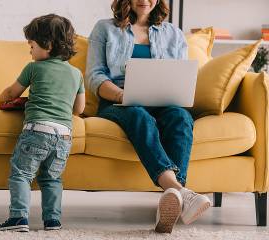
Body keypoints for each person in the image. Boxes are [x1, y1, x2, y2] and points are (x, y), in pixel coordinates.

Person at [85, 0, 210, 233]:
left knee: (181, 118)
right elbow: (94, 76)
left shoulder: (173, 33)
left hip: (163, 101)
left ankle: (171, 199)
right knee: (139, 116)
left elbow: (182, 75)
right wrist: (124, 94)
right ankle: (180, 192)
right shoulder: (104, 28)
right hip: (118, 102)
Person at [0, 14, 85, 232]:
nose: (30, 50)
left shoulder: (33, 68)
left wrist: (1, 98)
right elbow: (79, 109)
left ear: (49, 45)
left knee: (21, 174)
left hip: (37, 131)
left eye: (32, 45)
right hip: (64, 136)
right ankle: (52, 221)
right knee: (52, 179)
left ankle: (18, 218)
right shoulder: (76, 74)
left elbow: (11, 92)